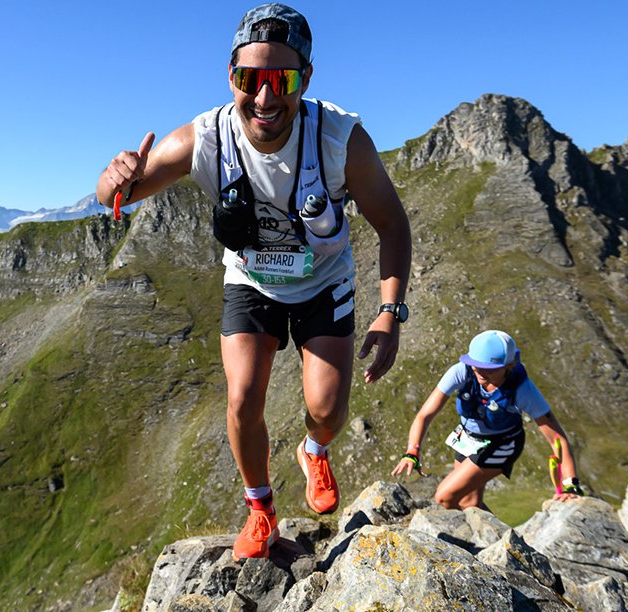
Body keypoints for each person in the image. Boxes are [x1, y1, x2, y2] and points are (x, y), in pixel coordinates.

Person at [95, 4, 411, 560]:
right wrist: (113, 177)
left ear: (305, 79)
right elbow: (116, 196)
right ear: (231, 77)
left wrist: (390, 312)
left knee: (328, 409)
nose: (264, 97)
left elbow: (392, 224)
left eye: (281, 80)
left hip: (322, 281)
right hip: (251, 281)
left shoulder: (340, 140)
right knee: (242, 397)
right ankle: (260, 508)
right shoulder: (206, 138)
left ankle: (314, 450)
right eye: (250, 79)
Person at [391, 330, 581, 510]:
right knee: (469, 503)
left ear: (508, 366)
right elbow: (425, 415)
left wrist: (570, 484)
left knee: (445, 497)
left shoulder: (522, 389)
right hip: (468, 438)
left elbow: (557, 439)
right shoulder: (461, 371)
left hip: (503, 444)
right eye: (475, 364)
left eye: (489, 368)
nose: (480, 371)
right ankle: (496, 534)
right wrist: (412, 452)